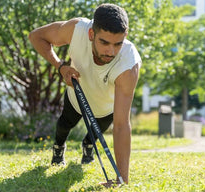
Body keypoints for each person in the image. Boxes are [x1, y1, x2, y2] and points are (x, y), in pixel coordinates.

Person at [29, 3, 142, 185]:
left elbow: (121, 125)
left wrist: (122, 180)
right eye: (104, 42)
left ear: (125, 37)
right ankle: (59, 147)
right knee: (64, 125)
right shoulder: (76, 30)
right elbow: (36, 37)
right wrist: (60, 66)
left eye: (118, 44)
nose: (110, 51)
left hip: (105, 108)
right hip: (76, 96)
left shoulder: (128, 65)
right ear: (91, 34)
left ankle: (88, 146)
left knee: (94, 136)